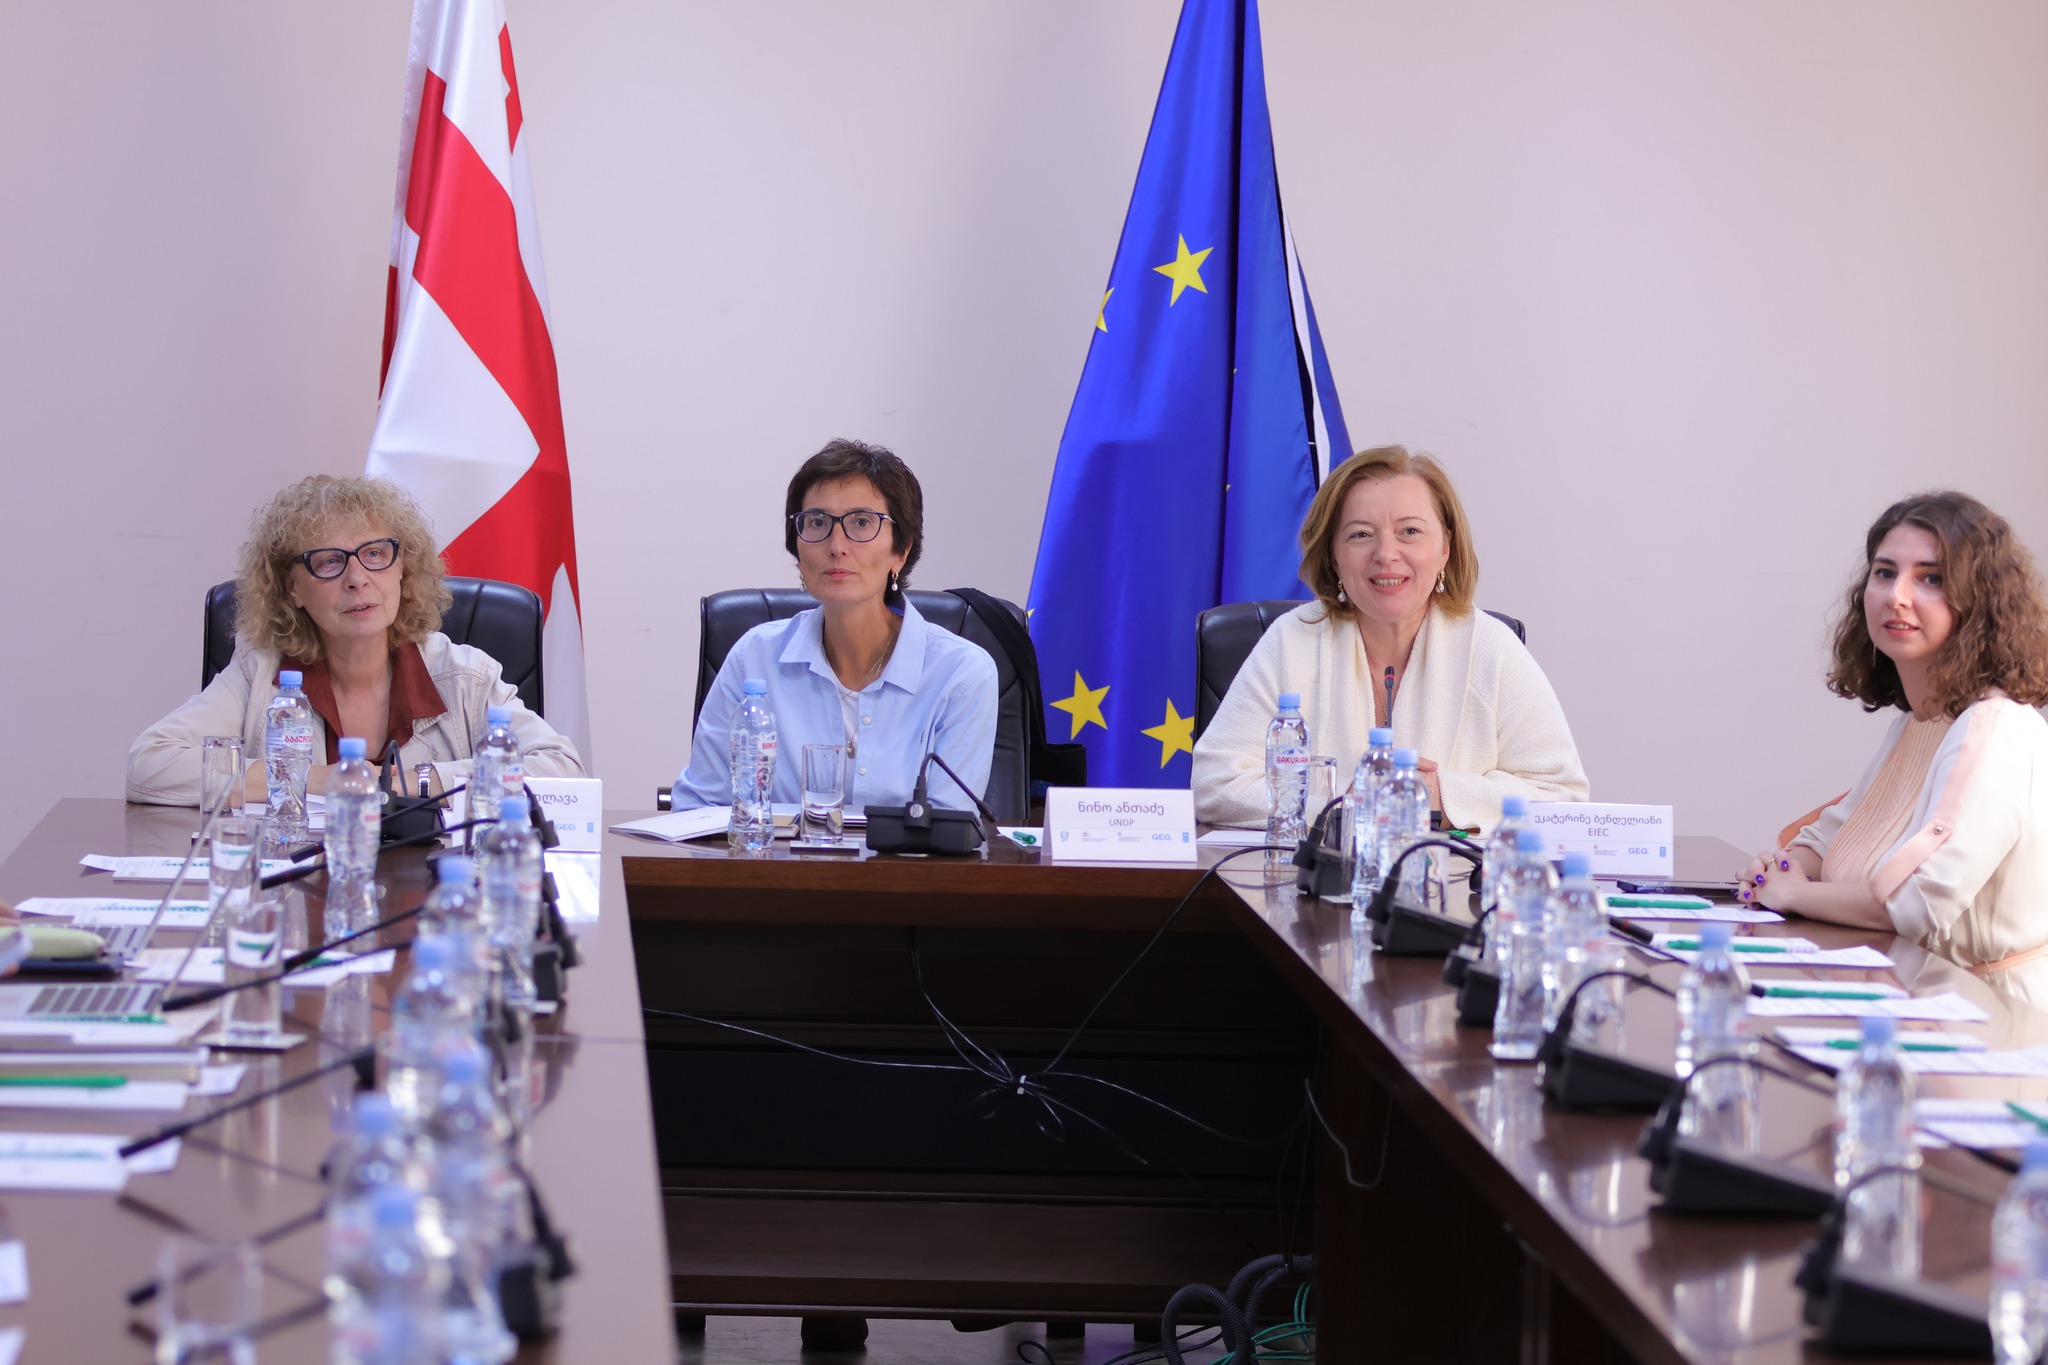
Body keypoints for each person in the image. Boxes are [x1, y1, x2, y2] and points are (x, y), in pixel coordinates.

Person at [1741, 491, 2048, 1003]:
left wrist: (1792, 893)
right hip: (1909, 994)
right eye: (1885, 573)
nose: (1896, 596)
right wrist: (1783, 866)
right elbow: (1830, 837)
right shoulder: (1921, 720)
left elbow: (1918, 905)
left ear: (1980, 602)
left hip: (1990, 1014)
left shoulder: (1996, 727)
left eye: (1932, 579)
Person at [1191, 445, 1588, 830]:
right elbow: (1214, 783)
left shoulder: (1491, 648)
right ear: (1333, 555)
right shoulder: (1292, 640)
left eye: (1410, 531)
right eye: (1361, 535)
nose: (1385, 553)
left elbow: (1563, 796)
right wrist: (1344, 801)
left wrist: (1440, 794)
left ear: (1445, 548)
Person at [127, 475, 583, 805]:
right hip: (297, 889)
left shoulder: (465, 676)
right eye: (329, 561)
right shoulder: (260, 673)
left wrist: (416, 781)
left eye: (375, 554)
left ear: (403, 569)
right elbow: (149, 764)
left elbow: (562, 771)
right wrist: (312, 778)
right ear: (292, 588)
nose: (357, 579)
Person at [673, 439, 998, 820]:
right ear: (797, 549)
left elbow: (949, 829)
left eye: (861, 522)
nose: (837, 546)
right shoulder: (754, 658)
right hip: (774, 861)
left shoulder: (959, 674)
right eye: (817, 522)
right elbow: (699, 808)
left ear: (901, 550)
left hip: (907, 864)